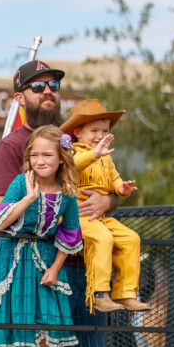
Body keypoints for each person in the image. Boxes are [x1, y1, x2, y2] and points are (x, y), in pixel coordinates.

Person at [0, 59, 116, 347]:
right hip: (36, 266)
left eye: (54, 86)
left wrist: (109, 199)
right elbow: (0, 212)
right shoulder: (11, 147)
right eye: (38, 86)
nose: (48, 92)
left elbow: (99, 186)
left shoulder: (70, 142)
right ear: (19, 96)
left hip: (84, 265)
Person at [0, 125, 83, 347]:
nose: (40, 160)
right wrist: (28, 199)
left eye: (47, 155)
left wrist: (55, 268)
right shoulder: (19, 182)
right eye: (35, 154)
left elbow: (70, 233)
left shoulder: (66, 193)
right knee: (22, 328)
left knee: (42, 331)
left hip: (45, 262)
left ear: (62, 158)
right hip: (15, 261)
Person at [61, 99, 150, 313]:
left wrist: (121, 189)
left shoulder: (106, 158)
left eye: (104, 131)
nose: (100, 136)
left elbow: (114, 178)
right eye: (94, 130)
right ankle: (99, 293)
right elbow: (71, 167)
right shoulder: (71, 153)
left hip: (100, 217)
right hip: (76, 217)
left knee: (131, 239)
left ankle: (126, 293)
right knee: (103, 238)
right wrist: (94, 154)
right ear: (77, 132)